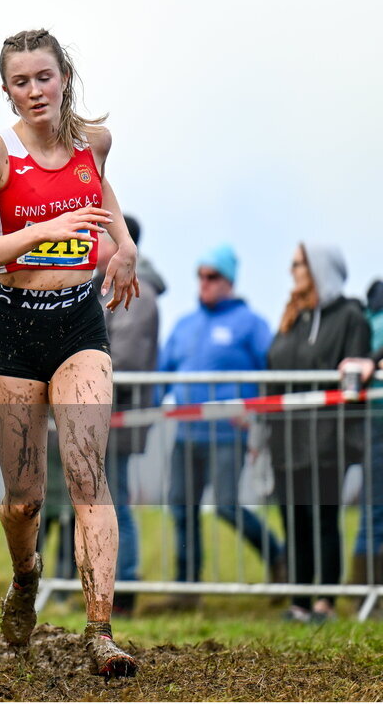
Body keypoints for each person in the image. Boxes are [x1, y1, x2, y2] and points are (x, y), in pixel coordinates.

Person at [0, 28, 139, 677]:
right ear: (6, 91)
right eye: (21, 81)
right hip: (13, 329)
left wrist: (125, 244)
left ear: (65, 77)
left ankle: (101, 631)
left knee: (88, 474)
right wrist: (41, 230)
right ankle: (25, 576)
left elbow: (101, 192)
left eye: (44, 77)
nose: (34, 90)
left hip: (77, 326)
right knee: (25, 497)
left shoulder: (95, 142)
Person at [157, 244, 284, 609]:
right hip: (185, 434)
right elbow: (162, 375)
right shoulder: (184, 325)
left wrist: (258, 416)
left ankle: (278, 557)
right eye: (200, 275)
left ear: (228, 281)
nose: (204, 283)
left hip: (227, 433)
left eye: (212, 276)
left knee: (227, 505)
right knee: (182, 507)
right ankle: (186, 589)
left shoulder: (251, 323)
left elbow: (273, 372)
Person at [268, 243, 370, 622]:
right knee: (294, 520)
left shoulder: (350, 317)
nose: (293, 271)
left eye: (300, 264)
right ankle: (299, 602)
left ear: (320, 268)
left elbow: (352, 378)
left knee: (323, 517)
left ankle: (324, 603)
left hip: (327, 439)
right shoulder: (292, 317)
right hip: (285, 438)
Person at [95, 214, 165, 615]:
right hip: (98, 414)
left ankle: (127, 584)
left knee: (116, 500)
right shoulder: (100, 286)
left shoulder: (137, 291)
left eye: (101, 236)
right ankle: (105, 582)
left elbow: (127, 358)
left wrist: (83, 374)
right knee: (103, 499)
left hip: (117, 415)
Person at [341, 279, 383, 594]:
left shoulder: (366, 316)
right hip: (375, 418)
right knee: (375, 506)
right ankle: (366, 594)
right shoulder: (369, 321)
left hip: (370, 416)